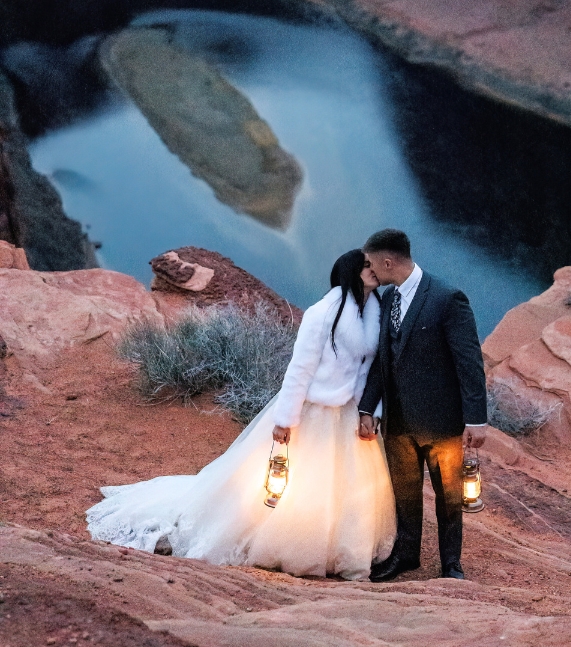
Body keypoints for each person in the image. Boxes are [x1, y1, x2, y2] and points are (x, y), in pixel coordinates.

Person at [86, 250, 396, 580]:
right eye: (365, 266)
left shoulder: (371, 314)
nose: (373, 270)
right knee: (300, 482)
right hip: (312, 411)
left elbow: (368, 370)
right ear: (350, 272)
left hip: (348, 413)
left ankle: (343, 547)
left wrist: (369, 411)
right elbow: (299, 370)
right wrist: (285, 420)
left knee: (349, 485)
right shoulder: (322, 314)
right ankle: (297, 545)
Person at [358, 229, 487, 581]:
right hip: (398, 422)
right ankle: (406, 556)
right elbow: (383, 361)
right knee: (405, 494)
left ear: (388, 262)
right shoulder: (387, 299)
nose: (369, 270)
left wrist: (476, 418)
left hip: (441, 422)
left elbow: (469, 361)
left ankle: (451, 564)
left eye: (371, 264)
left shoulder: (447, 297)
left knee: (449, 496)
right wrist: (367, 407)